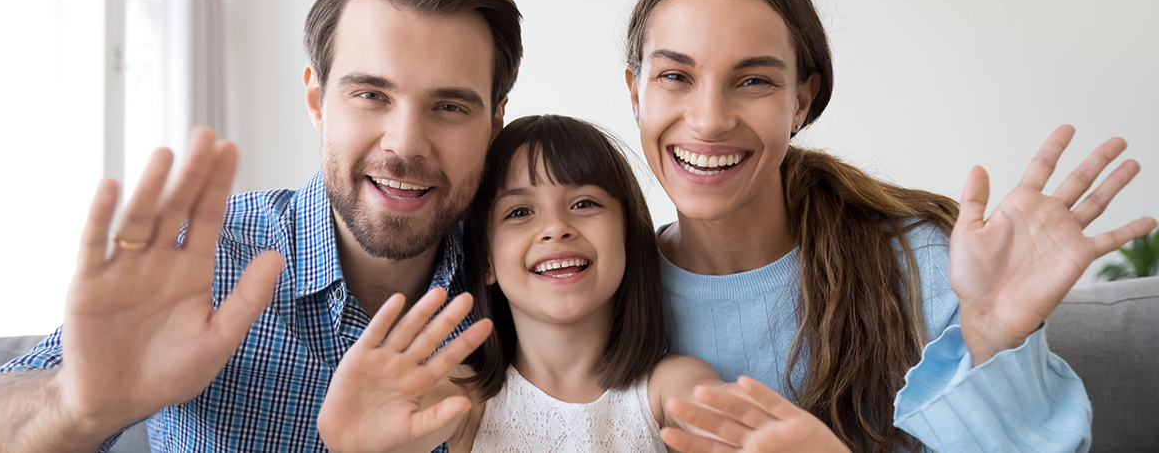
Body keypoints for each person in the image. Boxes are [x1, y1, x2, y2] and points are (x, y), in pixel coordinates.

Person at [0, 0, 522, 451]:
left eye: (449, 106)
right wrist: (77, 404)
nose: (405, 144)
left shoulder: (528, 290)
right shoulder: (201, 257)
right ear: (317, 102)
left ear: (494, 124)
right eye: (371, 95)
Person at [621, 0, 1158, 452]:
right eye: (676, 76)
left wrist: (992, 342)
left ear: (800, 103)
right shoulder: (601, 288)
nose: (710, 119)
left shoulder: (924, 263)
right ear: (636, 93)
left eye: (754, 80)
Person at [315, 114, 850, 453]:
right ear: (485, 263)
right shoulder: (464, 394)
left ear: (629, 236)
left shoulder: (671, 386)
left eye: (585, 204)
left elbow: (722, 428)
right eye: (520, 212)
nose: (556, 227)